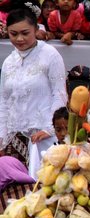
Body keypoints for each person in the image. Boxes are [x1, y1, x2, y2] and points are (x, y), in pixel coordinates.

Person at [0, 6, 68, 166]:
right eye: (13, 34)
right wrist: (2, 137)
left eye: (25, 33)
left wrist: (50, 129)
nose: (19, 39)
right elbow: (3, 101)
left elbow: (59, 94)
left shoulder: (50, 55)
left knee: (42, 186)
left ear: (36, 29)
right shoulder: (9, 61)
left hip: (43, 138)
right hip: (13, 139)